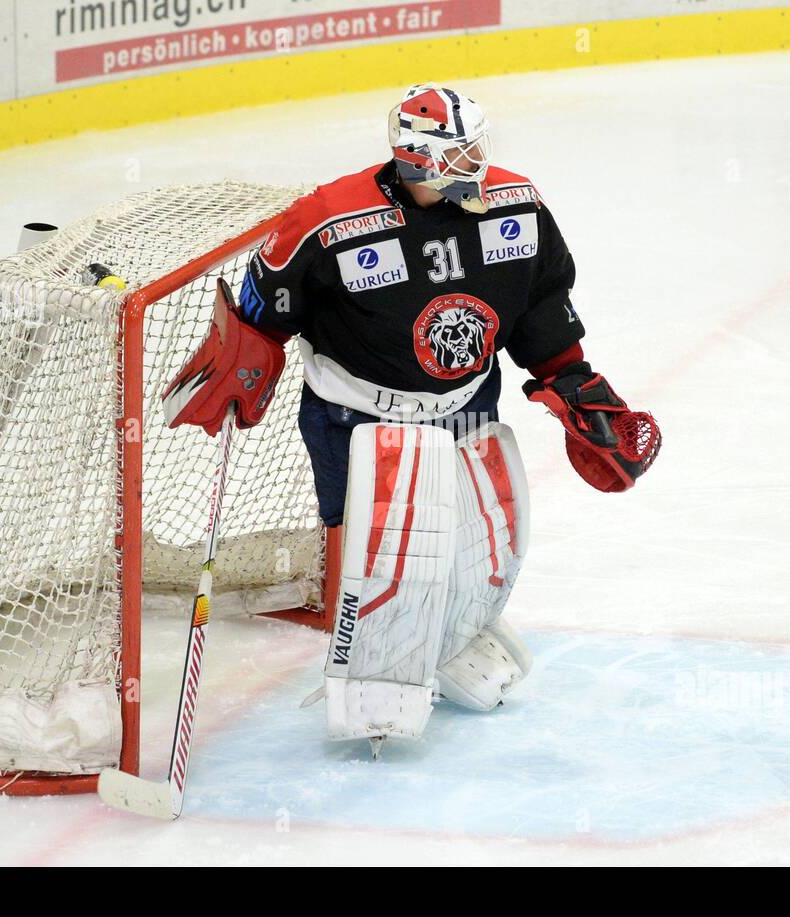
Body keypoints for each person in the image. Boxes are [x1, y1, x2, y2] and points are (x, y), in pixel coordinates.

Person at [162, 84, 660, 755]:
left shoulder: (514, 206)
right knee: (384, 557)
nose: (477, 165)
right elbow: (265, 296)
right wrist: (244, 352)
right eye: (460, 154)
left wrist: (572, 380)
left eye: (478, 147)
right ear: (417, 159)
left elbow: (540, 308)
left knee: (479, 546)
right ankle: (373, 681)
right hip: (357, 417)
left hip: (466, 406)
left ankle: (452, 641)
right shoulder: (331, 219)